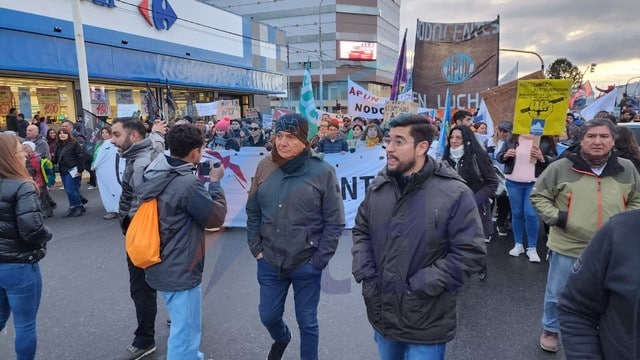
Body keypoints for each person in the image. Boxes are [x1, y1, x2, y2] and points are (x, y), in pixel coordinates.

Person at [352, 114, 486, 360]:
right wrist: (365, 269)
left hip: (427, 318)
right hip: (383, 313)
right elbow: (361, 230)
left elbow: (470, 252)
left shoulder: (454, 193)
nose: (389, 148)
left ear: (422, 147)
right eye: (389, 140)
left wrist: (422, 284)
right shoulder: (379, 187)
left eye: (399, 142)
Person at [530, 118, 640, 353]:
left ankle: (601, 330)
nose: (597, 141)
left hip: (614, 250)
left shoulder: (626, 168)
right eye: (591, 136)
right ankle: (550, 328)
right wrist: (560, 218)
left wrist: (625, 225)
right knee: (557, 293)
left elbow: (637, 199)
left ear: (613, 140)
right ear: (581, 140)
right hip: (569, 246)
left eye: (604, 136)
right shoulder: (560, 167)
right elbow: (538, 197)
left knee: (609, 294)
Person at [246, 114, 345, 360]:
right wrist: (256, 248)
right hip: (269, 260)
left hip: (306, 262)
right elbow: (253, 209)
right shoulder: (264, 166)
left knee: (307, 322)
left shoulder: (323, 171)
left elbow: (335, 221)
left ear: (305, 141)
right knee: (268, 315)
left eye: (290, 137)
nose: (282, 142)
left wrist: (319, 261)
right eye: (279, 136)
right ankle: (282, 338)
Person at [139, 124, 227, 360]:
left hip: (158, 258)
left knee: (181, 322)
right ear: (195, 152)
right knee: (185, 330)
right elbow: (214, 218)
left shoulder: (155, 172)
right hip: (180, 265)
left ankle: (190, 355)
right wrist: (216, 183)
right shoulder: (187, 183)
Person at [111, 117, 167, 360]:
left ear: (133, 137)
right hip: (147, 230)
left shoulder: (140, 160)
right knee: (170, 278)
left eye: (115, 134)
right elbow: (154, 142)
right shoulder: (146, 148)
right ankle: (184, 318)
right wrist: (156, 133)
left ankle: (144, 340)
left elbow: (144, 192)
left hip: (142, 232)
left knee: (141, 288)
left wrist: (127, 221)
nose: (112, 140)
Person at [558, 210, 640, 360]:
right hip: (569, 241)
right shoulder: (621, 230)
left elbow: (631, 198)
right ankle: (549, 328)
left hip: (595, 235)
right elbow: (576, 309)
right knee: (554, 290)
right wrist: (558, 217)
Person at [0, 133, 53, 360]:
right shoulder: (23, 186)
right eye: (20, 149)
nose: (25, 153)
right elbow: (32, 230)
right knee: (25, 325)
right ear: (11, 155)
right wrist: (47, 234)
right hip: (19, 264)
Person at [497, 132, 556, 262]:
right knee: (517, 213)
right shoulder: (512, 138)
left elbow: (554, 160)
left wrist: (542, 157)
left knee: (531, 214)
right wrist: (505, 155)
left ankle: (532, 248)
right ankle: (518, 244)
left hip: (534, 183)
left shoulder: (545, 139)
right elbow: (499, 157)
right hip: (513, 182)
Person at [91, 126, 124, 220]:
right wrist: (94, 164)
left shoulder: (113, 143)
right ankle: (111, 209)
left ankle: (118, 209)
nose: (104, 134)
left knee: (116, 188)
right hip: (103, 171)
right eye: (103, 132)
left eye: (106, 132)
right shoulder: (100, 143)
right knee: (106, 190)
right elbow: (97, 155)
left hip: (113, 170)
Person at [53, 128, 87, 217]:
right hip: (63, 170)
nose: (62, 135)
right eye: (60, 133)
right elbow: (56, 158)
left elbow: (81, 157)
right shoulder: (58, 144)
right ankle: (73, 207)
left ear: (68, 134)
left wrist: (80, 170)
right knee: (69, 190)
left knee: (70, 189)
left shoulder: (74, 143)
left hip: (72, 169)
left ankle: (79, 206)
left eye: (64, 133)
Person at [22, 141, 53, 218]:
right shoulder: (31, 157)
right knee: (43, 195)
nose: (23, 148)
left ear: (31, 149)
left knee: (40, 196)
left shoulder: (33, 158)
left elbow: (34, 170)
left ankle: (47, 211)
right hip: (39, 179)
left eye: (26, 147)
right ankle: (51, 205)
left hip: (37, 179)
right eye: (23, 146)